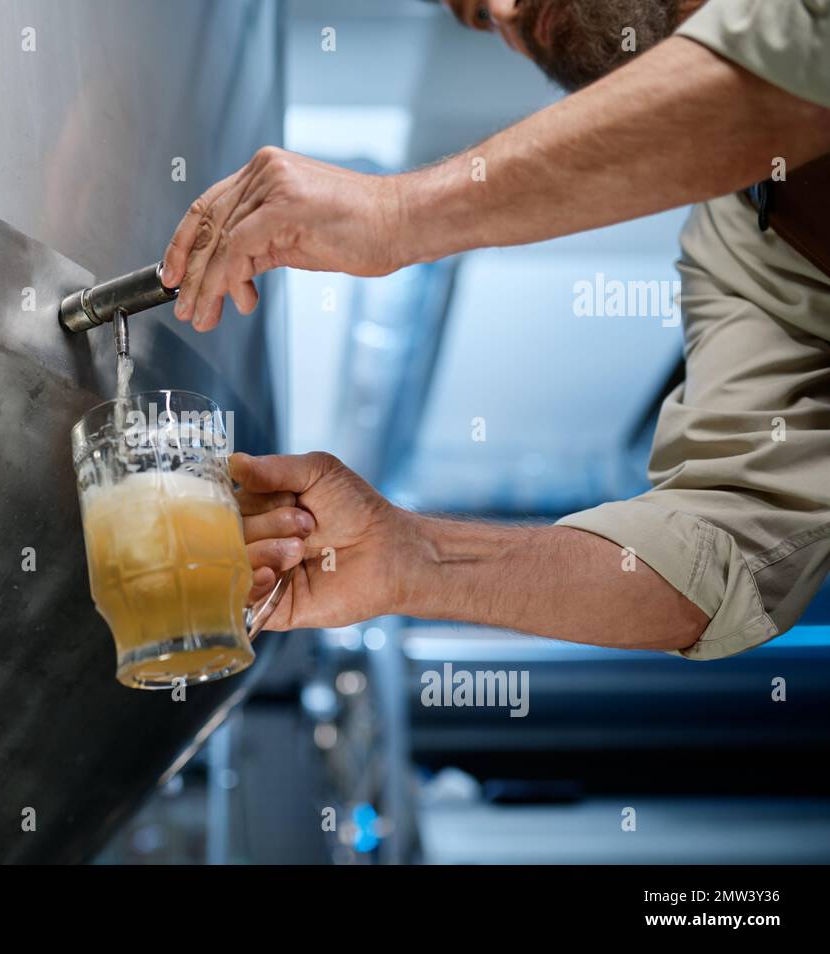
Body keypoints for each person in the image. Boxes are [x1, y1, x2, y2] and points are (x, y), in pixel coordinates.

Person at [160, 0, 830, 658]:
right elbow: (727, 553)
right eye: (477, 16)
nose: (505, 13)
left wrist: (397, 213)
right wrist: (413, 560)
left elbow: (793, 63)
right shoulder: (752, 241)